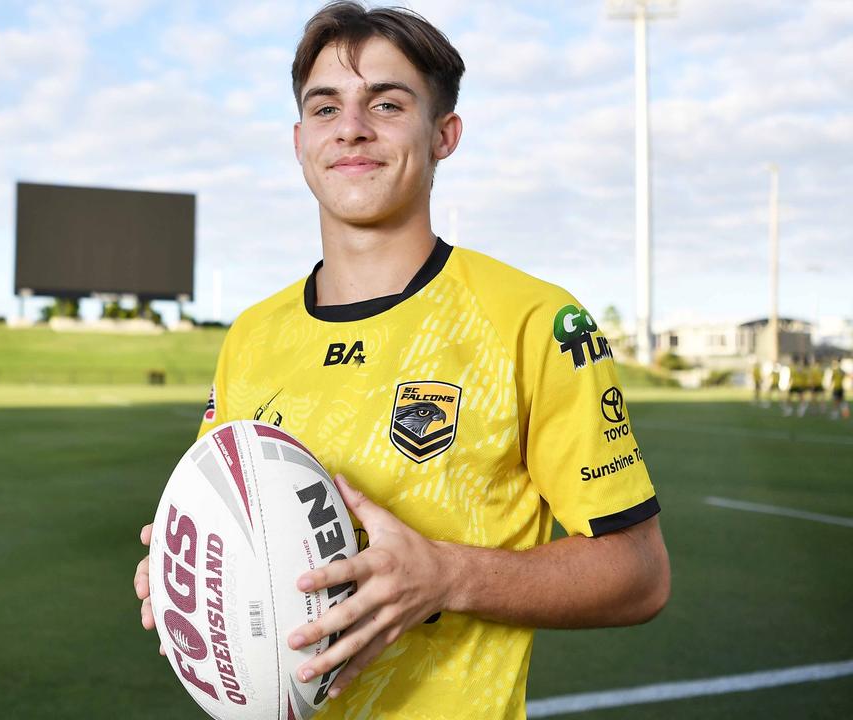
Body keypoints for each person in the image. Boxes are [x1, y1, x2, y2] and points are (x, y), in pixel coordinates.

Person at [132, 4, 669, 718]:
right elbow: (236, 531)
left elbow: (640, 575)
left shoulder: (534, 321)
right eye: (326, 108)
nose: (351, 127)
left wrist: (447, 577)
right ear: (299, 142)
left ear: (443, 134)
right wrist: (185, 576)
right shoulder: (252, 336)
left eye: (386, 103)